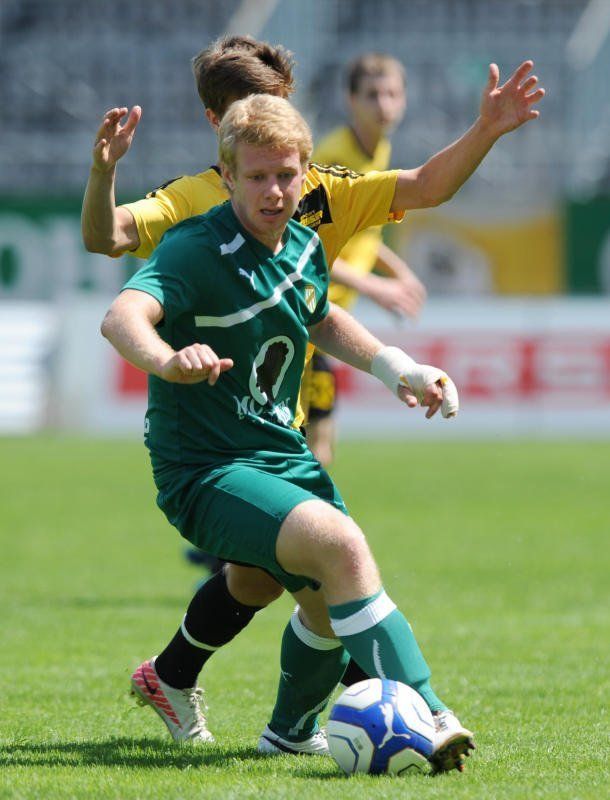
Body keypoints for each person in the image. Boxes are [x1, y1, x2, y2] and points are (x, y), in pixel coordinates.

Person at [85, 35, 544, 756]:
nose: (274, 188)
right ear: (225, 152)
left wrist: (397, 367)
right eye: (257, 174)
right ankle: (429, 713)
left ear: (302, 161)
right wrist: (169, 358)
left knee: (297, 591)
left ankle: (278, 730)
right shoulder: (192, 225)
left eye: (286, 173)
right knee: (338, 551)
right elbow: (120, 306)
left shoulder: (305, 229)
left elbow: (320, 310)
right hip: (208, 460)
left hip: (279, 440)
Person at [307, 53, 425, 466]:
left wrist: (400, 272)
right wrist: (375, 286)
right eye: (373, 95)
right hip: (305, 314)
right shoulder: (332, 159)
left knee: (318, 447)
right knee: (314, 449)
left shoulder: (379, 149)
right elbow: (303, 248)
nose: (384, 105)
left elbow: (362, 232)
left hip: (326, 320)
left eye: (392, 94)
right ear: (351, 100)